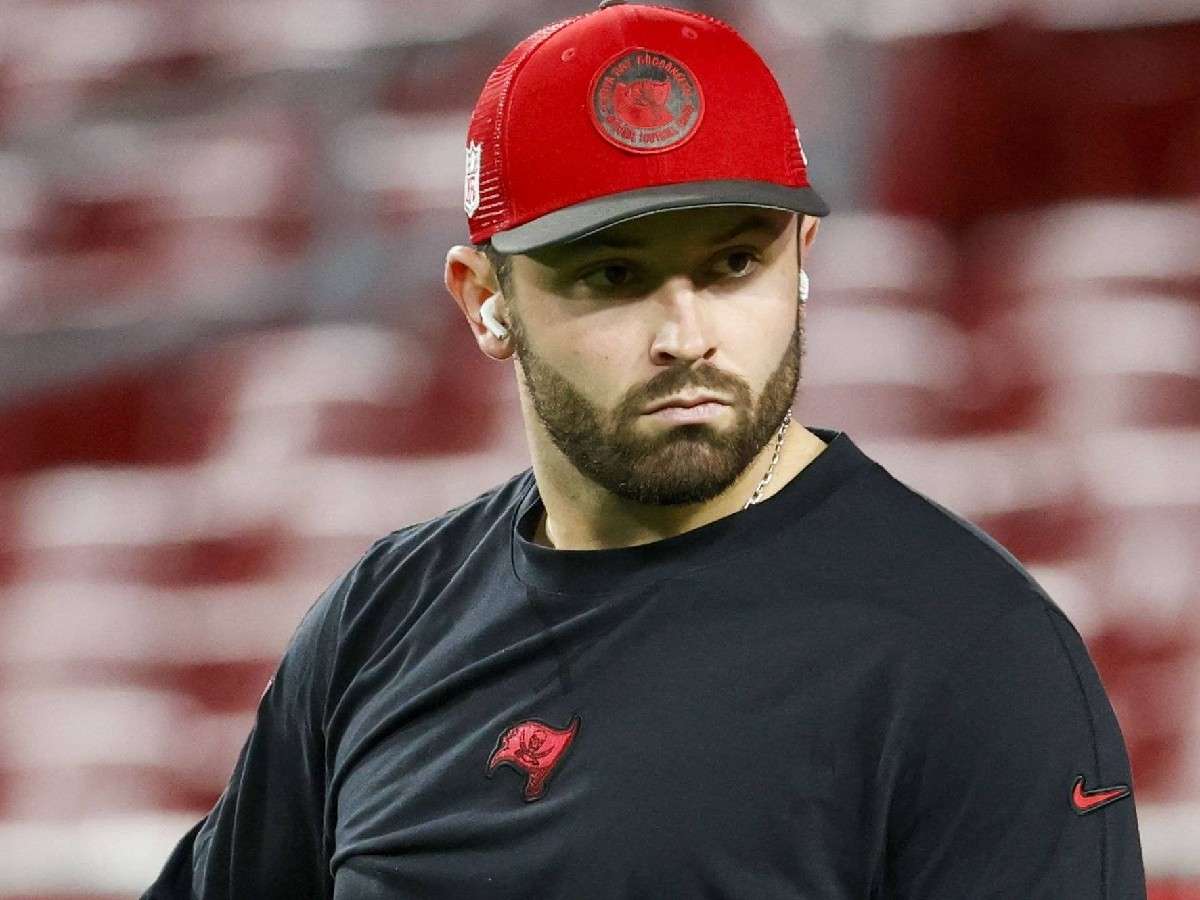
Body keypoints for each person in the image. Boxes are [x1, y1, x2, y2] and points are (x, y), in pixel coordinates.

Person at [143, 2, 1148, 897]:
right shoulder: (383, 620)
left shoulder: (971, 652)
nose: (687, 333)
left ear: (801, 264)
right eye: (614, 274)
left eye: (735, 263)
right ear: (484, 301)